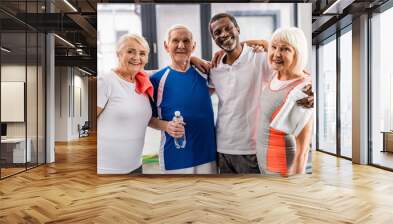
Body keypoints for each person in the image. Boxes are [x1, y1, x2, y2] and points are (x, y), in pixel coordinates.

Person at [204, 13, 313, 174]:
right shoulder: (214, 67)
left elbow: (295, 70)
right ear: (214, 39)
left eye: (228, 28)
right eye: (217, 32)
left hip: (250, 149)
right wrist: (192, 59)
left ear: (238, 29)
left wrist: (310, 88)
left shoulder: (258, 57)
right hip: (222, 147)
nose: (224, 34)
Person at [149, 24, 217, 174]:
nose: (181, 45)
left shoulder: (206, 74)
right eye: (175, 41)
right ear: (166, 46)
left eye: (186, 41)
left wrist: (193, 59)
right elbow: (148, 119)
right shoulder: (156, 79)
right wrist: (166, 126)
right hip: (175, 158)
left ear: (193, 45)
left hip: (208, 155)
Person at [256, 27, 313, 176]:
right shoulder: (276, 74)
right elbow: (265, 45)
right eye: (274, 47)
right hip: (262, 164)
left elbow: (303, 149)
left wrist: (295, 183)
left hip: (282, 169)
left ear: (298, 53)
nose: (276, 54)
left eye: (285, 49)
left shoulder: (304, 90)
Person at [97, 34, 154, 174]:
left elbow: (169, 70)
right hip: (106, 169)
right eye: (130, 51)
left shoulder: (142, 81)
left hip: (135, 166)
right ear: (118, 54)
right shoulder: (106, 81)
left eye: (142, 53)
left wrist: (193, 59)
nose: (136, 57)